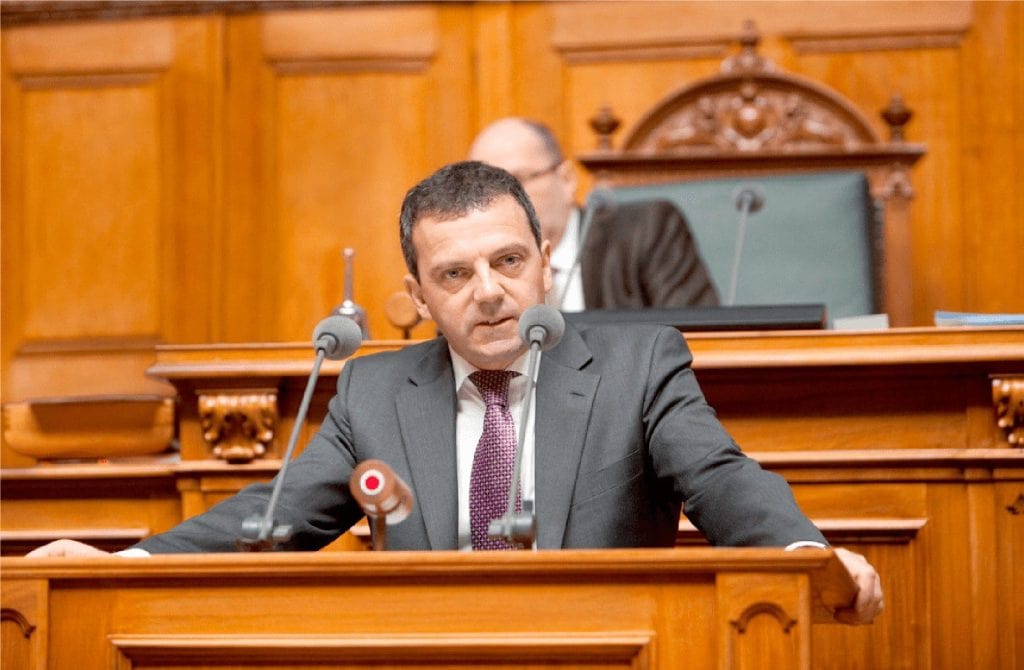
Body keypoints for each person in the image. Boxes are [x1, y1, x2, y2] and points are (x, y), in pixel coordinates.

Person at [28, 161, 881, 625]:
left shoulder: (638, 366)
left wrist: (803, 554)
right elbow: (273, 517)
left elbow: (721, 475)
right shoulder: (376, 391)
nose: (489, 292)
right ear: (420, 295)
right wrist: (128, 566)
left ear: (545, 259)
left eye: (509, 262)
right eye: (455, 273)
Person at [468, 117, 719, 311]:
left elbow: (694, 339)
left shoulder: (647, 231)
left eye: (518, 180)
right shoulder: (475, 267)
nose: (503, 201)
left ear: (566, 180)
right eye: (485, 190)